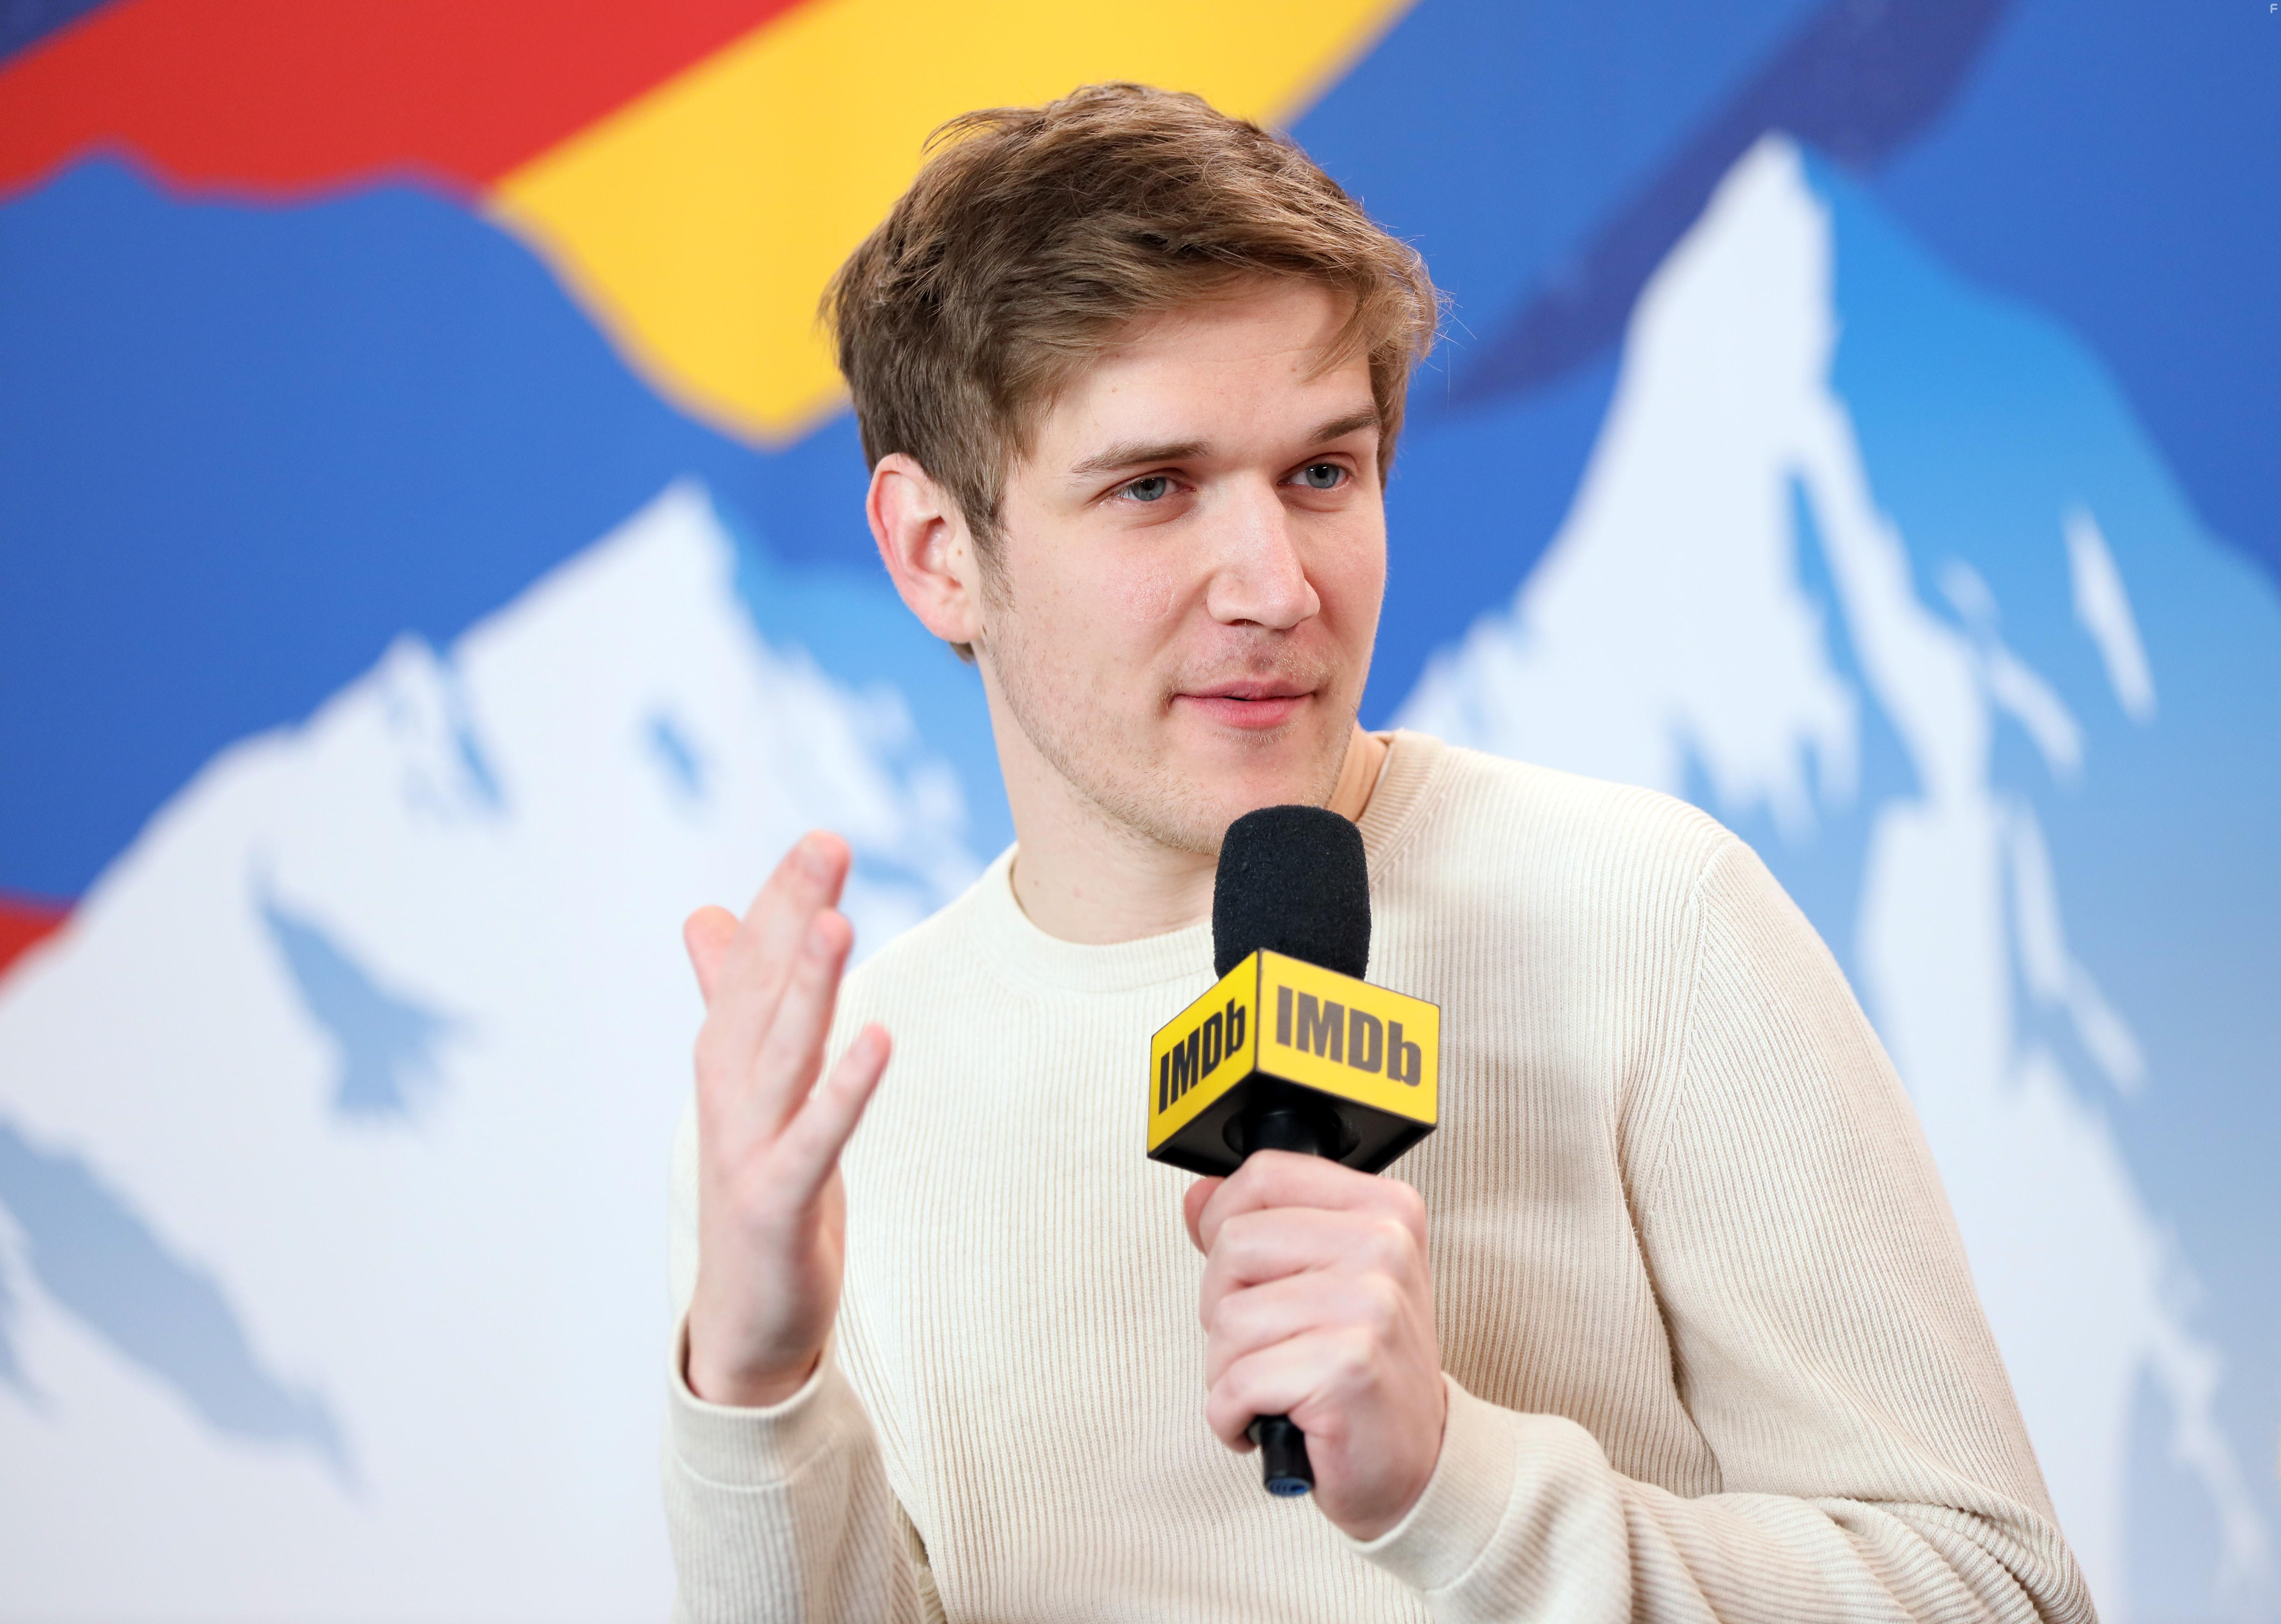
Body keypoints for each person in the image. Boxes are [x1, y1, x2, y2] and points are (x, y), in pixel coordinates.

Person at [663, 83, 2090, 1622]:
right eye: (1156, 488)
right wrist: (756, 1389)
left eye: (1321, 474)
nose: (1276, 585)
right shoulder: (867, 1085)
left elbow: (2001, 1593)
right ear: (940, 552)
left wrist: (1454, 1484)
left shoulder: (1651, 922)